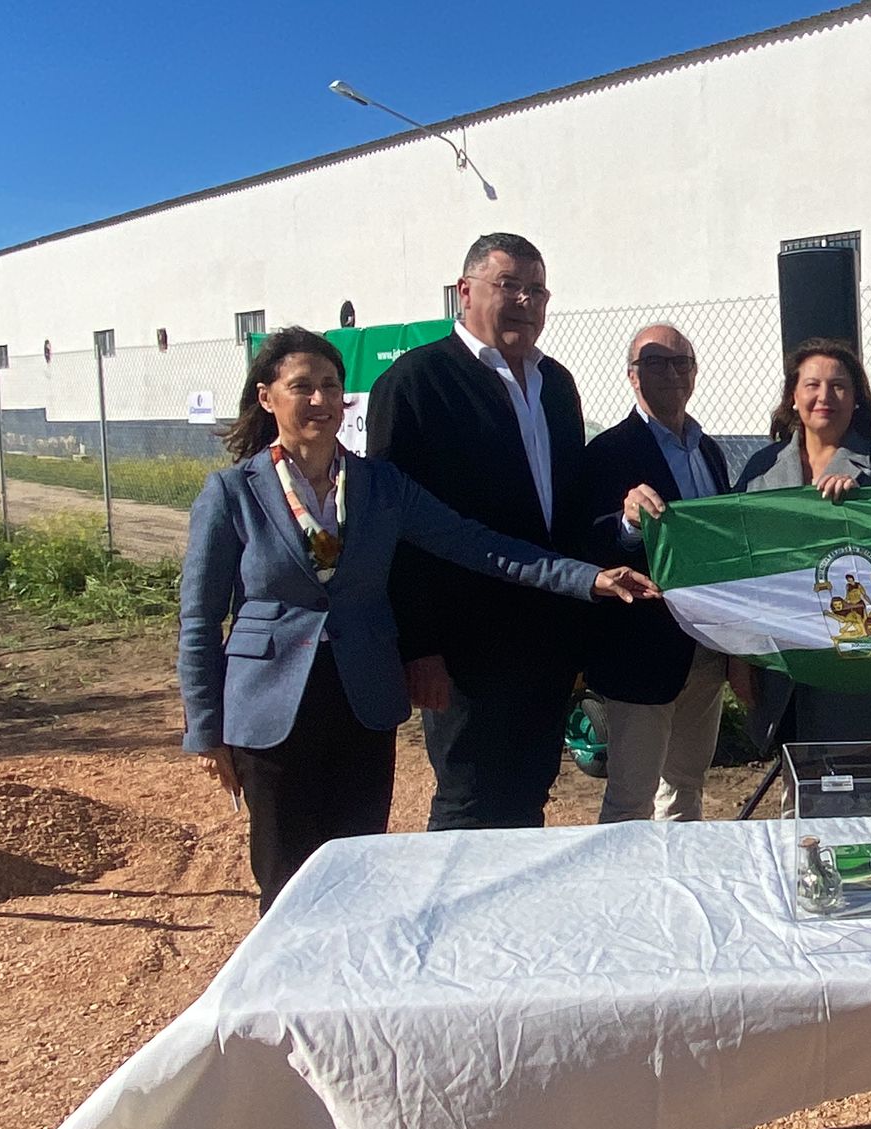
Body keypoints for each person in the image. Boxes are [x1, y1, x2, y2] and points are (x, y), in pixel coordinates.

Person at [179, 327, 655, 910]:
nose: (320, 401)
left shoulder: (378, 486)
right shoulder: (232, 492)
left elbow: (479, 546)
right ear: (266, 398)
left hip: (361, 699)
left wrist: (589, 577)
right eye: (301, 387)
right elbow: (199, 621)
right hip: (274, 708)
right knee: (286, 880)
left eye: (331, 386)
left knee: (358, 866)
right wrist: (206, 730)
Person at [366, 233, 592, 831]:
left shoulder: (558, 386)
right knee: (469, 796)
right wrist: (420, 646)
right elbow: (396, 529)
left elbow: (565, 510)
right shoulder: (418, 382)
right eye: (508, 285)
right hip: (464, 646)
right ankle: (457, 923)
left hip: (546, 635)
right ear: (465, 292)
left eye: (536, 289)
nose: (524, 301)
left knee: (530, 790)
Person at [583, 324, 735, 822]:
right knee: (631, 796)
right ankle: (622, 896)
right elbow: (584, 542)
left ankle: (678, 890)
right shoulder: (607, 452)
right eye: (654, 363)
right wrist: (628, 524)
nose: (670, 373)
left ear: (694, 373)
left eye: (680, 363)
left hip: (705, 650)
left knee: (687, 788)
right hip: (641, 654)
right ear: (631, 376)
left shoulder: (709, 450)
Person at [732, 338, 871, 752]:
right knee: (795, 793)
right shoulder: (761, 469)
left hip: (855, 663)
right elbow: (740, 567)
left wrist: (862, 510)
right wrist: (739, 657)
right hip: (780, 661)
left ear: (856, 400)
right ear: (793, 397)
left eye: (839, 386)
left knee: (852, 794)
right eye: (812, 385)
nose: (824, 396)